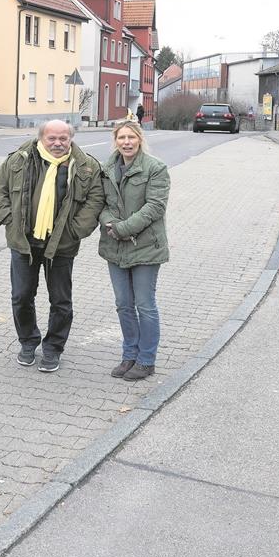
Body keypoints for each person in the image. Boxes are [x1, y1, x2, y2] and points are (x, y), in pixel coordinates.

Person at [0, 120, 105, 372]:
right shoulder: (20, 159)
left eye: (63, 138)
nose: (58, 143)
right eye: (52, 138)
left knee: (61, 300)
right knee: (21, 297)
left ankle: (53, 348)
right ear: (41, 138)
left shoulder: (86, 166)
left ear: (71, 139)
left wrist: (75, 231)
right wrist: (10, 220)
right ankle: (28, 342)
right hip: (24, 243)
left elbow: (95, 201)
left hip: (62, 245)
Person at [98, 120, 169, 381]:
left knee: (145, 305)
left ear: (140, 139)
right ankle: (129, 355)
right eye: (121, 138)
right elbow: (102, 204)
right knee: (123, 305)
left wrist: (123, 228)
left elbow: (155, 207)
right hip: (114, 246)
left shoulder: (155, 168)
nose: (126, 142)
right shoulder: (106, 169)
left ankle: (147, 360)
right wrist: (110, 223)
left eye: (131, 137)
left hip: (146, 247)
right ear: (115, 141)